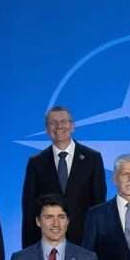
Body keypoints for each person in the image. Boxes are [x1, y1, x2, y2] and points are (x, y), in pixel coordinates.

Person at [18, 106, 106, 250]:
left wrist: (99, 246)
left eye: (64, 121)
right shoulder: (36, 162)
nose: (59, 126)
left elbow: (99, 205)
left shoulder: (92, 158)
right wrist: (28, 251)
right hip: (47, 242)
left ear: (73, 126)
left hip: (84, 242)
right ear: (46, 129)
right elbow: (29, 209)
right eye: (53, 122)